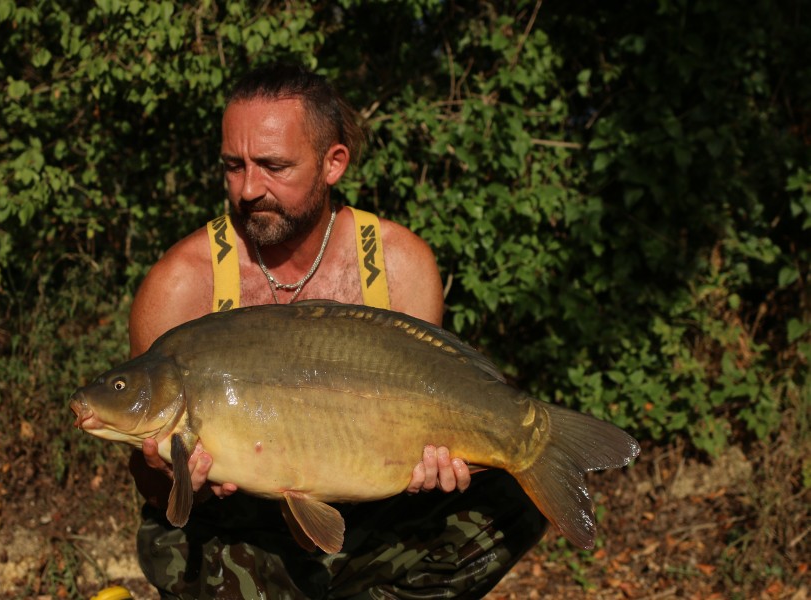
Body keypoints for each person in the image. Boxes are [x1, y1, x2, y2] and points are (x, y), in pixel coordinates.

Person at [127, 62, 546, 599]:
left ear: (333, 163)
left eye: (274, 165)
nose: (250, 188)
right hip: (244, 530)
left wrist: (436, 465)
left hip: (376, 518)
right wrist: (180, 478)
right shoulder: (179, 284)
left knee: (510, 503)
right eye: (234, 166)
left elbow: (425, 408)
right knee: (172, 542)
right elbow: (146, 484)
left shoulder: (400, 265)